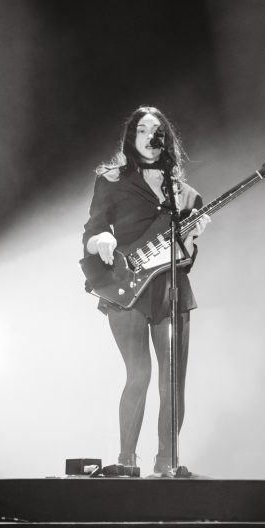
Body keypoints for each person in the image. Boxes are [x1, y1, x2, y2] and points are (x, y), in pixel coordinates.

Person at [82, 105, 210, 477]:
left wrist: (198, 227)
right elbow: (91, 229)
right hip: (126, 286)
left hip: (171, 287)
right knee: (139, 373)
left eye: (157, 131)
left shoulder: (183, 193)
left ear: (167, 140)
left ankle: (167, 462)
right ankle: (126, 461)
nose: (150, 136)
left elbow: (193, 236)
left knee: (174, 378)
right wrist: (101, 239)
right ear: (131, 137)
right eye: (142, 130)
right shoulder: (112, 180)